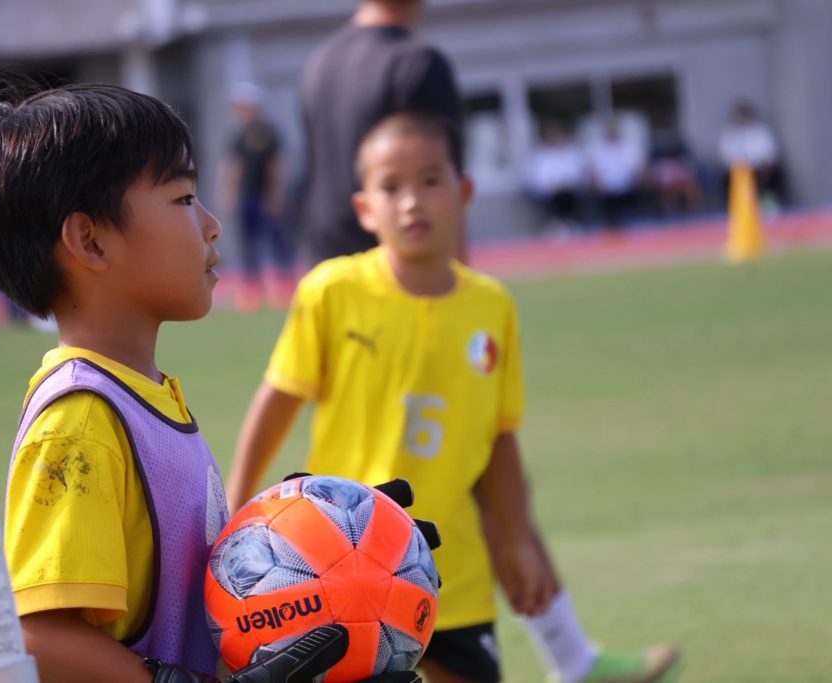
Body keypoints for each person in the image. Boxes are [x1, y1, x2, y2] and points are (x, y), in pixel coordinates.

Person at [0, 77, 372, 683]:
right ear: (90, 241)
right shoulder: (81, 420)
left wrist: (321, 540)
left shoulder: (143, 393)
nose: (212, 225)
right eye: (184, 198)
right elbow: (38, 635)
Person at [227, 111, 681, 683]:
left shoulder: (492, 307)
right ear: (365, 208)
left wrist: (517, 539)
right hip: (341, 574)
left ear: (464, 193)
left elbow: (499, 439)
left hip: (454, 576)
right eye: (391, 187)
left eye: (430, 181)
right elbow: (276, 404)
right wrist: (237, 511)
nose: (412, 201)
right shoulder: (332, 291)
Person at [299, 0, 463, 264]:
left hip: (325, 262)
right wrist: (456, 280)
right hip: (400, 270)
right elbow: (446, 191)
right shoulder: (417, 62)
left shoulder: (319, 61)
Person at [219, 82, 296, 311]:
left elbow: (276, 165)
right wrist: (228, 192)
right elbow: (233, 166)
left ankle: (283, 285)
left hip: (265, 196)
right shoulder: (237, 134)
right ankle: (251, 288)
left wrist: (276, 193)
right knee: (248, 242)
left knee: (276, 240)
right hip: (247, 196)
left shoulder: (268, 133)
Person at [717, 100, 784, 207]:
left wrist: (758, 165)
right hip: (738, 171)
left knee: (772, 174)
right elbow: (725, 157)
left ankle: (768, 204)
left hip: (759, 169)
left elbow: (769, 153)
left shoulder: (761, 131)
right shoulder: (729, 134)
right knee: (728, 178)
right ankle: (737, 207)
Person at [523, 123, 586, 234]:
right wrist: (552, 185)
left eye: (558, 136)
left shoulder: (571, 153)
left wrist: (565, 184)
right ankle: (558, 224)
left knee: (567, 196)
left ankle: (569, 223)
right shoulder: (539, 156)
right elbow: (536, 178)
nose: (555, 139)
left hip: (569, 190)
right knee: (557, 197)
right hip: (548, 192)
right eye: (552, 136)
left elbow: (577, 173)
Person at [585, 117, 646, 231]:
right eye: (610, 129)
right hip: (605, 189)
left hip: (629, 186)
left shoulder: (630, 146)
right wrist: (596, 183)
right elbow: (591, 171)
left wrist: (640, 179)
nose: (612, 132)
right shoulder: (595, 149)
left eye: (614, 129)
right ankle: (609, 223)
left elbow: (639, 168)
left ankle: (635, 220)